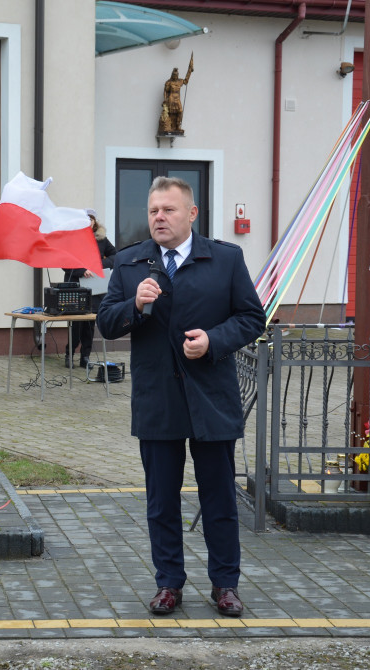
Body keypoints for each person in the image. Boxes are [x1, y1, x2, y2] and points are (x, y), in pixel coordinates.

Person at [97, 177, 265, 617]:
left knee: (219, 501)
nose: (159, 217)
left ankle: (225, 584)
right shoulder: (131, 263)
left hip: (211, 397)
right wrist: (133, 304)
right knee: (161, 502)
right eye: (154, 210)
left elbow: (252, 317)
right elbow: (106, 322)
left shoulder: (225, 259)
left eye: (169, 210)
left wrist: (213, 340)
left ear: (191, 215)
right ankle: (168, 583)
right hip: (158, 399)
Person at [63, 208, 117, 369]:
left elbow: (115, 256)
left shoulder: (101, 240)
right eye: (85, 219)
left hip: (94, 288)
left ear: (94, 222)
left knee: (89, 324)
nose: (89, 222)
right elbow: (64, 262)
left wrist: (97, 266)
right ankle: (69, 355)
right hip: (75, 286)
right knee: (75, 324)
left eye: (91, 219)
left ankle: (85, 357)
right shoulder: (72, 239)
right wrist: (82, 270)